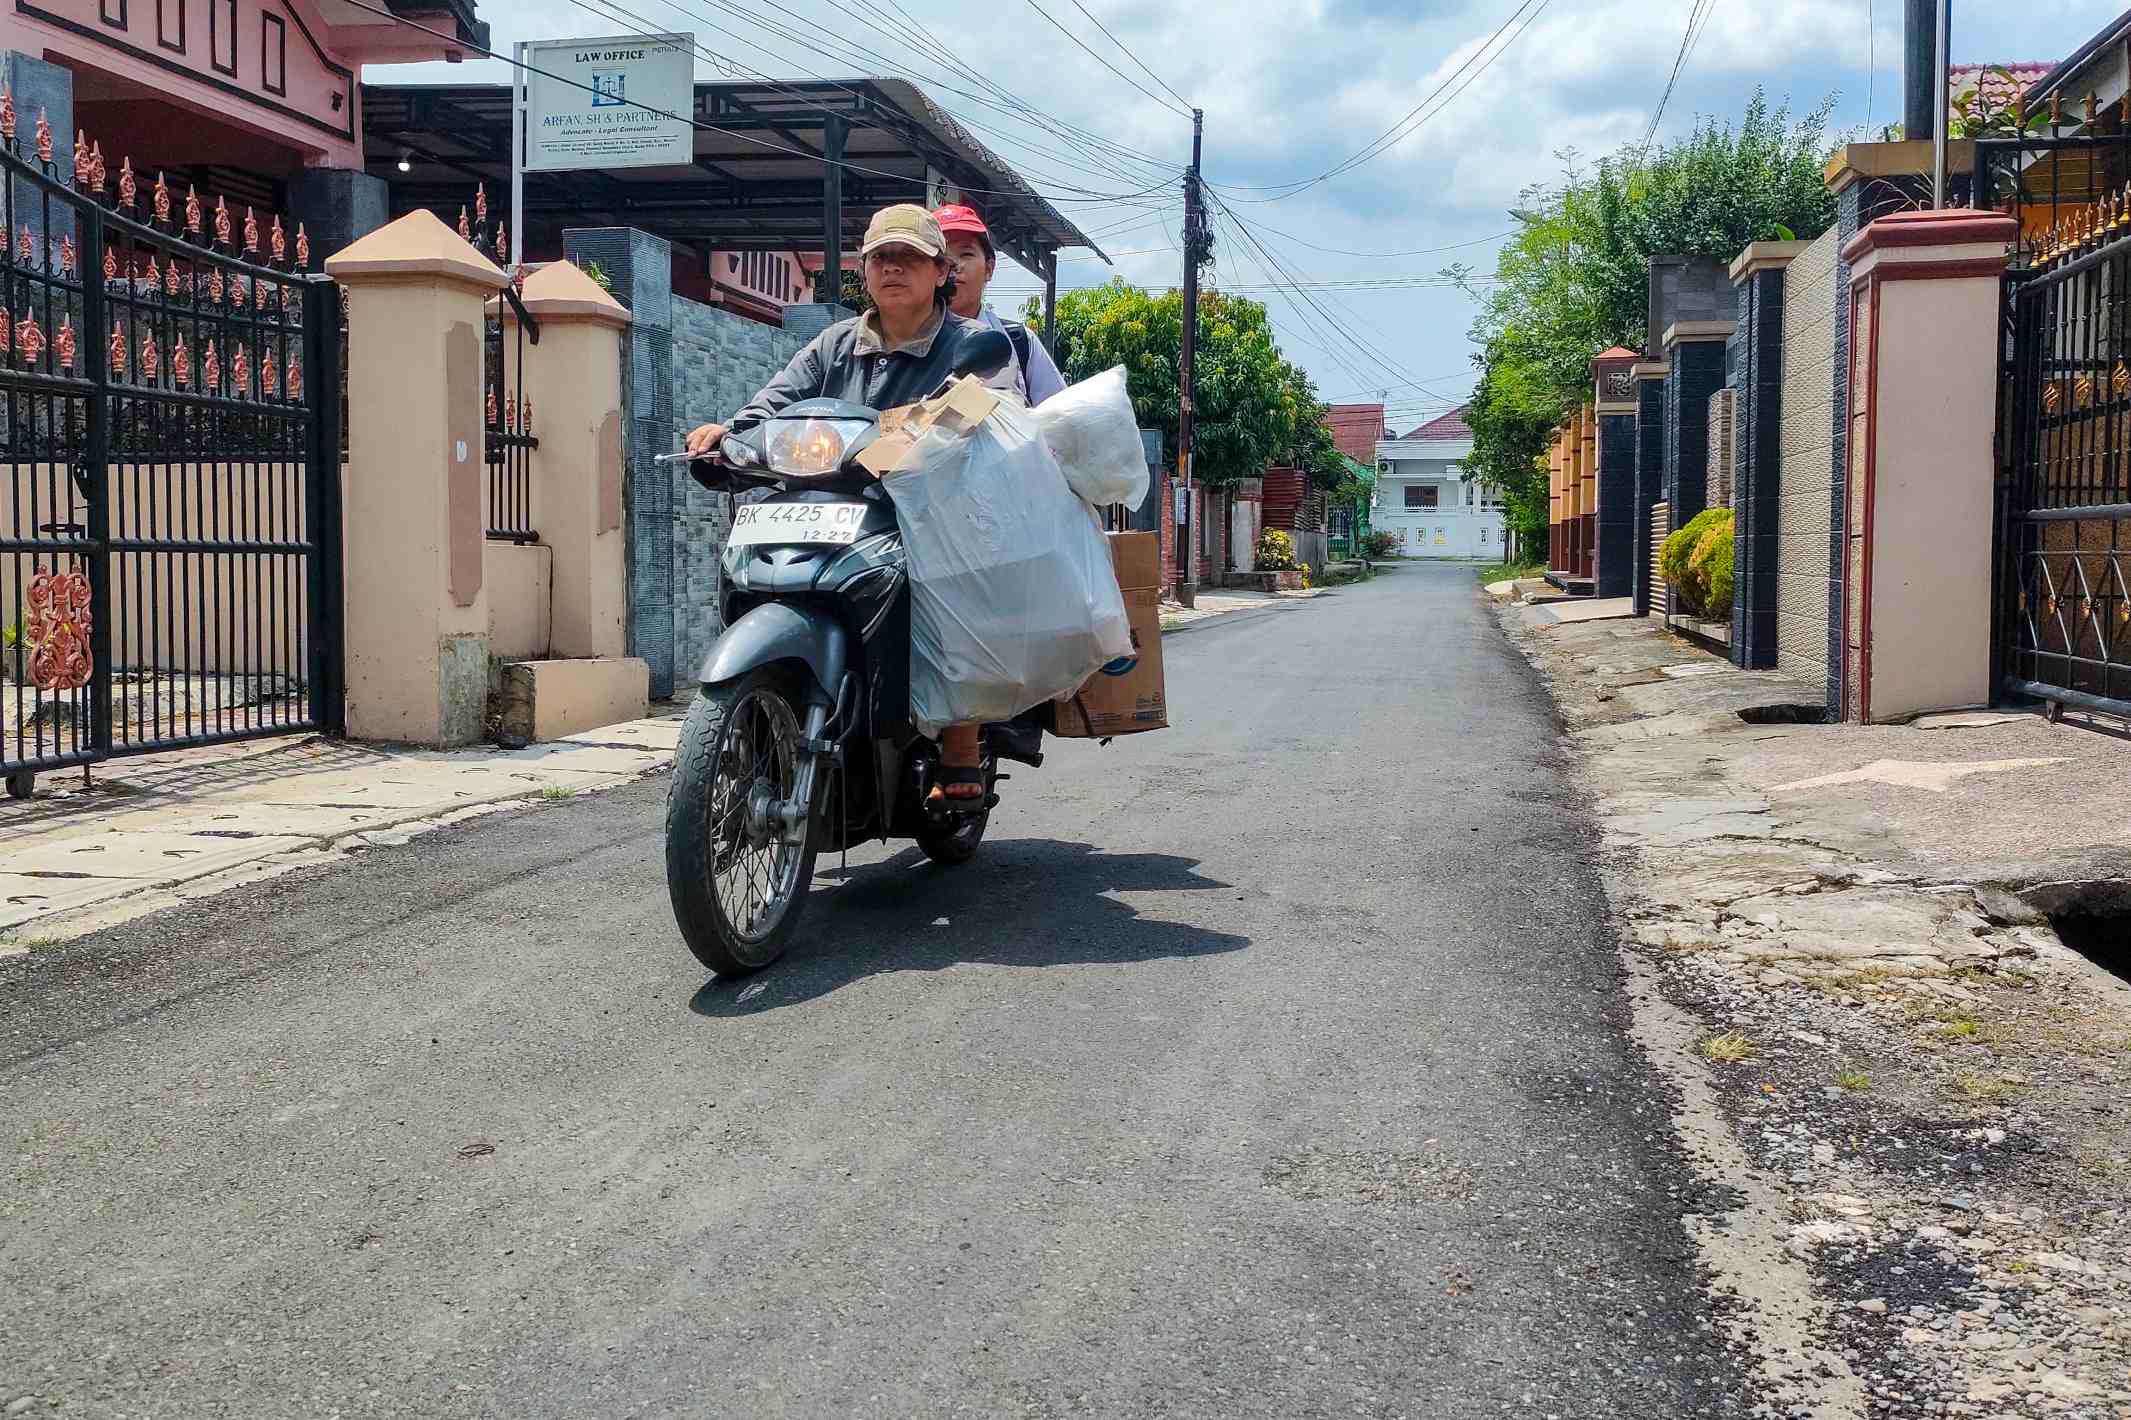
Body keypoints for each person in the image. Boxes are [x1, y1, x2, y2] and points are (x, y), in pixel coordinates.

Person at [684, 203, 992, 805]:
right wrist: (729, 435)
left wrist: (895, 441)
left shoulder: (973, 343)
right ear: (863, 271)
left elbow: (976, 408)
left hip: (931, 508)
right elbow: (772, 404)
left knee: (957, 584)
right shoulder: (833, 345)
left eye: (909, 257)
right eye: (881, 257)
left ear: (939, 271)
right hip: (834, 509)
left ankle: (960, 738)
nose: (893, 268)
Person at [934, 203, 1067, 408]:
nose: (953, 265)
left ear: (989, 268)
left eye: (966, 254)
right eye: (941, 256)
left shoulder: (1021, 342)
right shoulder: (900, 340)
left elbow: (1059, 416)